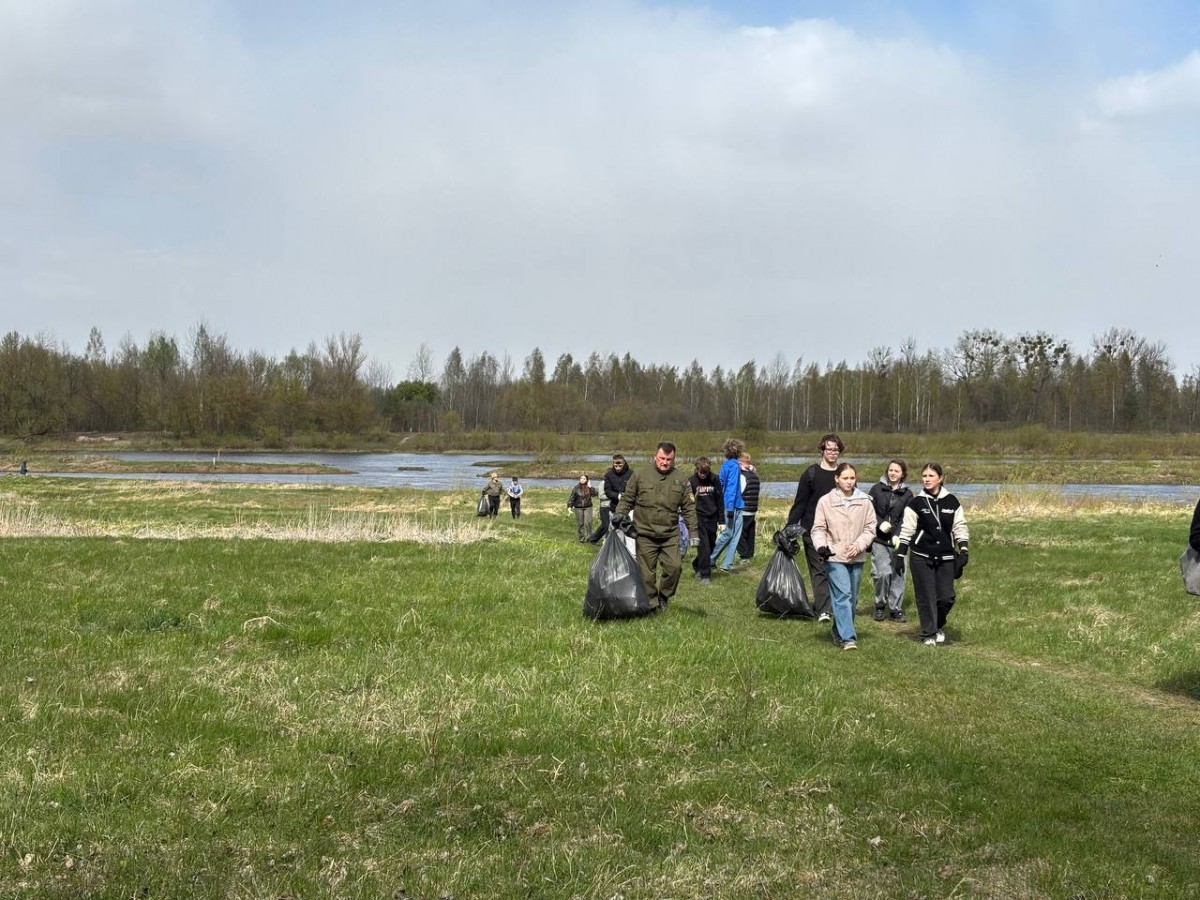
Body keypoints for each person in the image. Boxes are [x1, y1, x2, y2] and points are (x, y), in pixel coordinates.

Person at [614, 442, 699, 613]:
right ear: (655, 456)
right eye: (662, 458)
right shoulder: (640, 475)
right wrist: (619, 514)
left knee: (675, 568)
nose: (665, 462)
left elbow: (689, 508)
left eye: (669, 459)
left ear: (674, 459)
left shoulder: (681, 479)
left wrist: (693, 533)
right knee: (647, 574)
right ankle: (652, 605)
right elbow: (627, 498)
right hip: (644, 533)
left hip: (670, 535)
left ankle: (664, 596)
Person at [894, 462, 970, 647]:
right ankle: (928, 633)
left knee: (946, 597)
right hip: (921, 556)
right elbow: (907, 530)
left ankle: (937, 624)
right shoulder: (916, 503)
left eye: (931, 476)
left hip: (946, 557)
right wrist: (900, 555)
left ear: (940, 478)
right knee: (926, 596)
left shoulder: (952, 502)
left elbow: (959, 526)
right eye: (924, 476)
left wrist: (964, 550)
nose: (926, 479)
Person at [811, 463, 877, 651]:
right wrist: (821, 546)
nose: (849, 482)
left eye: (852, 478)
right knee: (843, 595)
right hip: (834, 555)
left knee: (852, 599)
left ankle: (838, 631)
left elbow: (871, 528)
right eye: (845, 478)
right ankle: (849, 638)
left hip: (856, 555)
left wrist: (858, 545)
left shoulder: (865, 501)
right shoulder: (825, 501)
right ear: (837, 479)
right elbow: (818, 529)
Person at [786, 433, 845, 623]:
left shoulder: (843, 475)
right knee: (819, 569)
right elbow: (800, 503)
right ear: (822, 450)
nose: (833, 453)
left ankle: (834, 604)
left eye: (836, 450)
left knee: (835, 568)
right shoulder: (810, 473)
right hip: (813, 530)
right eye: (829, 449)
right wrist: (790, 528)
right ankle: (825, 610)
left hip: (837, 531)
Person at [868, 459, 913, 622]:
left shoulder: (908, 494)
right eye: (891, 470)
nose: (893, 473)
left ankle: (895, 609)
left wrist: (898, 533)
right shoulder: (876, 489)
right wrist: (880, 523)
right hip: (879, 539)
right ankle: (880, 605)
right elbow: (868, 511)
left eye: (897, 471)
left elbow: (907, 517)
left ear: (903, 474)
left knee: (898, 574)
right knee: (882, 573)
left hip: (899, 541)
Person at [709, 438, 745, 574]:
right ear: (739, 451)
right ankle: (710, 559)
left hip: (731, 504)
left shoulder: (725, 465)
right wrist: (729, 508)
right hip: (733, 506)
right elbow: (731, 488)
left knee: (734, 535)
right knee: (729, 534)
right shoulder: (735, 466)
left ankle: (727, 563)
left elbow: (721, 484)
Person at [688, 456, 724, 585]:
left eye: (705, 473)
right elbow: (688, 502)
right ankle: (705, 575)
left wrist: (722, 520)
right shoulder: (691, 481)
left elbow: (720, 500)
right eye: (701, 472)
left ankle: (697, 563)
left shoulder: (715, 479)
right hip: (699, 516)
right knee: (704, 547)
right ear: (696, 469)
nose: (703, 475)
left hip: (712, 516)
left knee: (712, 545)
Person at [587, 454, 632, 543]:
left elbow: (635, 488)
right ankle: (616, 550)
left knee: (629, 530)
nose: (618, 468)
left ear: (624, 463)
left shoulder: (631, 473)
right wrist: (617, 496)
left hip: (629, 507)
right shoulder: (609, 475)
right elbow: (607, 491)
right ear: (613, 463)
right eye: (615, 466)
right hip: (614, 507)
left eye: (620, 466)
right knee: (615, 529)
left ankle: (630, 553)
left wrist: (626, 496)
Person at [737, 453, 761, 561]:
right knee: (750, 534)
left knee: (738, 534)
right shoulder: (754, 475)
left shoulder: (742, 476)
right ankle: (750, 555)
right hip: (752, 509)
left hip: (743, 508)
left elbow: (739, 492)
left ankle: (745, 556)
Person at [567, 474, 598, 542]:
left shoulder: (589, 487)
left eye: (584, 478)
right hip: (578, 507)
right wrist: (569, 506)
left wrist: (590, 487)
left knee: (588, 522)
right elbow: (572, 498)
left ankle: (589, 538)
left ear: (587, 480)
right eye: (581, 478)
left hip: (588, 507)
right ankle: (581, 538)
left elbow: (595, 494)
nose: (582, 479)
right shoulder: (576, 488)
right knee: (580, 523)